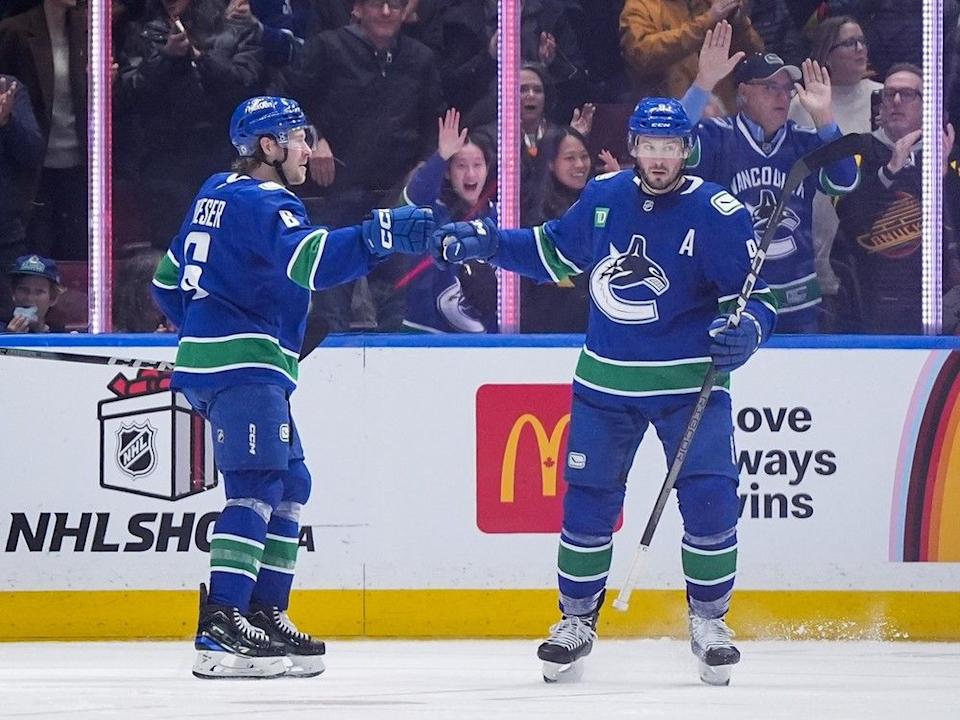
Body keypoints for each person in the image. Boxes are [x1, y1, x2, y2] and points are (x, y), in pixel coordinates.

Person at [430, 98, 777, 686]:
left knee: (712, 500)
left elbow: (754, 297)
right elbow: (550, 251)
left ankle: (711, 621)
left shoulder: (719, 212)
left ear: (686, 148)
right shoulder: (604, 196)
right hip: (605, 385)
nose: (660, 158)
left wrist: (747, 331)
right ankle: (575, 620)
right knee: (587, 503)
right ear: (635, 146)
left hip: (689, 388)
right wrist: (487, 242)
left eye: (671, 147)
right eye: (649, 145)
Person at [151, 96, 434, 679]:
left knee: (290, 480)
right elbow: (311, 262)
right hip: (245, 365)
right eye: (298, 137)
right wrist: (379, 234)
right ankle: (221, 625)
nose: (309, 148)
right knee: (256, 482)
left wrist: (204, 328)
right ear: (268, 147)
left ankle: (265, 611)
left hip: (229, 362)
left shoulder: (214, 192)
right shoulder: (268, 201)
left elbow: (166, 282)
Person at [682, 32, 860, 332]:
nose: (781, 96)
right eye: (769, 87)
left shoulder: (805, 140)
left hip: (798, 300)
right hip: (730, 296)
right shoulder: (717, 136)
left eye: (787, 89)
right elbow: (669, 140)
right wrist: (702, 84)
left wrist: (826, 120)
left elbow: (845, 182)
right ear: (744, 92)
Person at [832, 64, 959, 333]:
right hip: (864, 305)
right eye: (889, 95)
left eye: (908, 94)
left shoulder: (951, 155)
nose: (896, 101)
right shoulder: (857, 149)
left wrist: (943, 178)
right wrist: (889, 172)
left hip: (934, 307)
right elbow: (851, 217)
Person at [0, 0, 88, 260]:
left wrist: (105, 83)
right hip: (33, 170)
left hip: (81, 163)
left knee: (77, 255)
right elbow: (10, 90)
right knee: (36, 259)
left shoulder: (88, 29)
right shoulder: (14, 31)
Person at [400, 108, 497, 333]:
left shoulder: (500, 218)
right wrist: (441, 157)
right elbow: (415, 197)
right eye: (461, 165)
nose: (471, 174)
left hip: (486, 343)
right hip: (426, 337)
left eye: (478, 165)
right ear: (447, 172)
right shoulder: (432, 214)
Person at [619, 0, 762, 114]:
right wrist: (704, 24)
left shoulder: (712, 4)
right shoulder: (640, 5)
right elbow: (641, 54)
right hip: (668, 117)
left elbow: (755, 59)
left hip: (724, 113)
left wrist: (738, 22)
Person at [0, 75, 44, 320]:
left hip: (5, 235)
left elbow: (33, 153)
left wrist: (7, 122)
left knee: (12, 317)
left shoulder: (9, 88)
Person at [3, 254, 65, 334]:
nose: (29, 298)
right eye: (23, 290)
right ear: (13, 293)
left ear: (52, 298)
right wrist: (9, 338)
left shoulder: (62, 338)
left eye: (39, 292)